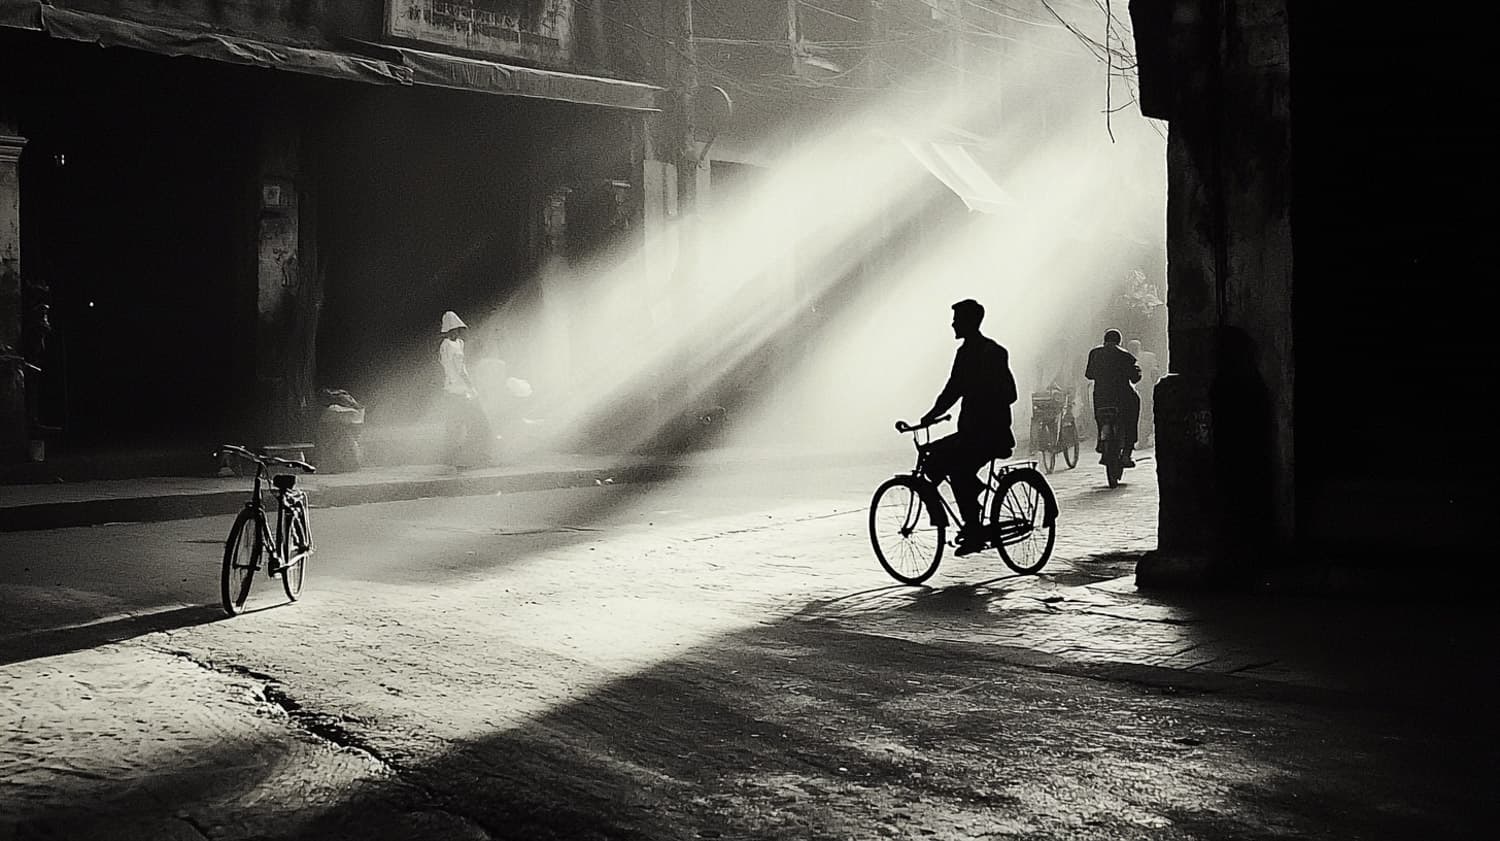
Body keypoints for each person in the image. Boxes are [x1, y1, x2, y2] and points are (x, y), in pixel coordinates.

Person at [918, 299, 1019, 556]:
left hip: (990, 434)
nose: (953, 324)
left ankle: (973, 529)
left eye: (957, 319)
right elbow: (954, 388)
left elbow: (1009, 393)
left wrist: (980, 394)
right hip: (973, 433)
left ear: (970, 321)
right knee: (937, 457)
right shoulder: (968, 352)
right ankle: (973, 499)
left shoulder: (992, 352)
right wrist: (932, 414)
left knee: (958, 469)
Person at [437, 311, 494, 468]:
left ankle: (460, 458)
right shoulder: (450, 346)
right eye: (453, 330)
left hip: (454, 391)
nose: (456, 332)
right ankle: (472, 457)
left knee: (458, 426)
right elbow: (460, 370)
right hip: (459, 392)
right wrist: (472, 387)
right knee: (474, 423)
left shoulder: (452, 345)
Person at [1085, 329, 1142, 467]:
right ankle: (1127, 452)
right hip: (1123, 396)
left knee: (1100, 417)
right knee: (1132, 413)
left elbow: (1089, 374)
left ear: (1104, 340)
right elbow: (1134, 378)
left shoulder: (1094, 354)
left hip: (1101, 396)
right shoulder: (1126, 356)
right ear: (1119, 341)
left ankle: (1101, 440)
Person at [1127, 339, 1161, 447]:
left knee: (1134, 415)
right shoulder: (1149, 357)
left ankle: (1137, 439)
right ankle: (1143, 439)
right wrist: (1153, 384)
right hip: (1146, 388)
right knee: (1146, 414)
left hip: (1132, 389)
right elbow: (1155, 373)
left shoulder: (1125, 357)